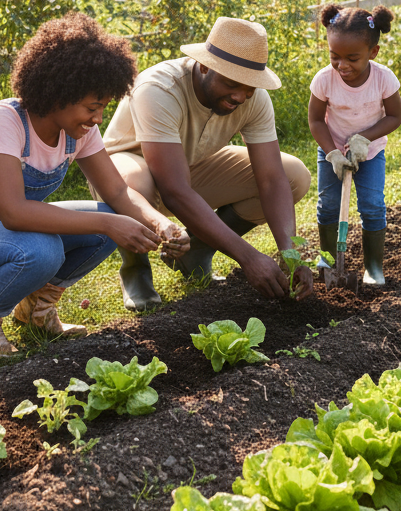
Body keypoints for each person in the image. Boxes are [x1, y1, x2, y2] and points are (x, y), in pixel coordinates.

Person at [0, 14, 188, 356]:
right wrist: (108, 222)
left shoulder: (80, 132)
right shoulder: (4, 120)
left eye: (103, 107)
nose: (98, 118)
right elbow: (14, 213)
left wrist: (160, 223)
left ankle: (36, 311)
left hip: (8, 235)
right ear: (61, 94)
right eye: (93, 107)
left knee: (109, 221)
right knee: (46, 248)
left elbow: (118, 192)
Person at [103, 16, 314, 311]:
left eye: (249, 88)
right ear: (204, 66)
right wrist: (248, 257)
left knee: (294, 175)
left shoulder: (254, 99)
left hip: (189, 166)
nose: (240, 96)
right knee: (137, 182)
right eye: (231, 83)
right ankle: (135, 271)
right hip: (131, 173)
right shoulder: (159, 88)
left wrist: (291, 256)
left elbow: (271, 179)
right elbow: (174, 190)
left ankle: (196, 251)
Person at [308, 5, 401, 287]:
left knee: (372, 206)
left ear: (373, 52)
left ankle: (373, 267)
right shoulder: (324, 80)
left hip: (369, 153)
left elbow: (395, 116)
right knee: (328, 205)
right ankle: (327, 259)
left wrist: (364, 138)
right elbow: (316, 120)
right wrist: (332, 153)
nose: (342, 65)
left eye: (352, 58)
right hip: (332, 150)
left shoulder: (383, 79)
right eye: (334, 56)